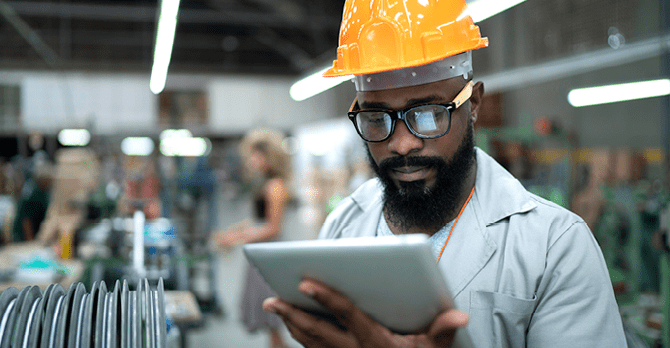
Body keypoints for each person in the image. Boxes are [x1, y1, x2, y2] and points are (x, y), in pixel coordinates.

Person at [262, 0, 628, 347]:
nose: (402, 145)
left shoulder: (556, 247)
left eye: (427, 113)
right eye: (376, 118)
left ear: (473, 105)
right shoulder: (344, 226)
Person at [217, 129, 292, 348]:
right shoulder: (266, 184)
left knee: (272, 315)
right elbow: (258, 221)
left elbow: (273, 228)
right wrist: (235, 233)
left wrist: (238, 238)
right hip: (262, 253)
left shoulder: (275, 186)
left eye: (255, 155)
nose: (252, 161)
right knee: (272, 326)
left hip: (270, 255)